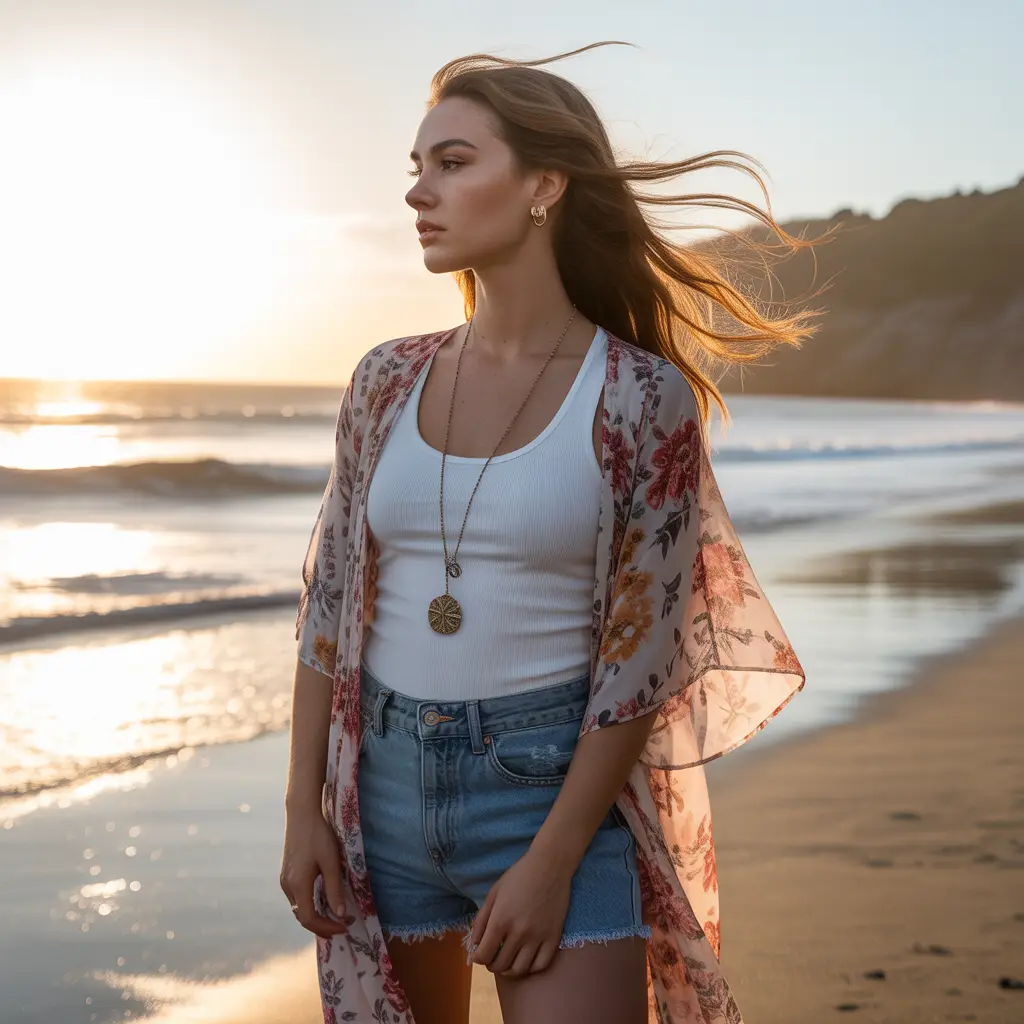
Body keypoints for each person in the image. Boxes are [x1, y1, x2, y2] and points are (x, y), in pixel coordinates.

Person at [280, 41, 825, 1024]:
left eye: (452, 162)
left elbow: (638, 659)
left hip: (548, 787)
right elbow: (328, 609)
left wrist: (554, 857)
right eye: (417, 165)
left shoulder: (640, 397)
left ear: (544, 184)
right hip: (381, 792)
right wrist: (302, 811)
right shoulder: (385, 380)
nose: (417, 190)